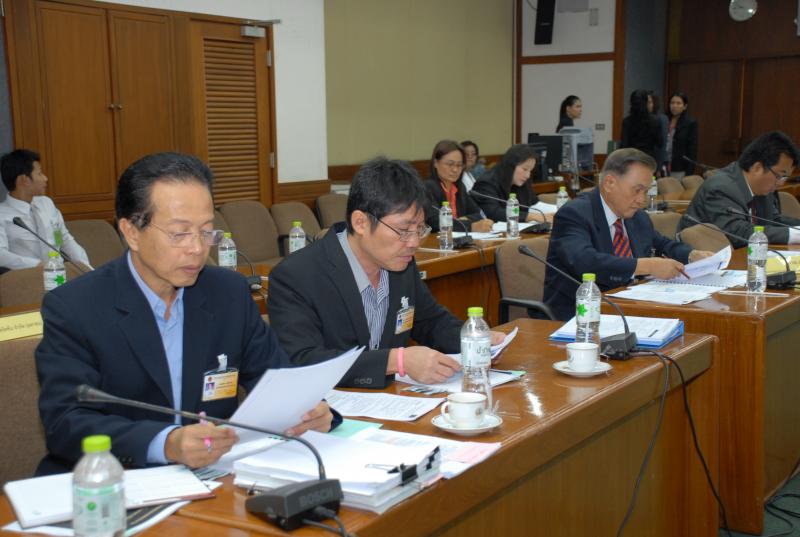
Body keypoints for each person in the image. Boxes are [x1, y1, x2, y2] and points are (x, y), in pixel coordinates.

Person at [35, 152, 336, 475]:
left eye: (206, 232)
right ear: (131, 232)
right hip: (115, 481)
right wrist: (165, 443)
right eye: (179, 233)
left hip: (215, 477)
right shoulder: (75, 307)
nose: (197, 248)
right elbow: (65, 422)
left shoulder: (228, 293)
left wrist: (313, 411)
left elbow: (278, 380)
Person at [267, 156, 505, 388]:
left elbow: (429, 320)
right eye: (403, 230)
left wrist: (473, 341)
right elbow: (302, 361)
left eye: (419, 229)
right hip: (328, 405)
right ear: (360, 222)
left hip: (392, 402)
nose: (413, 242)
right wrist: (396, 361)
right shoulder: (296, 276)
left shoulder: (400, 262)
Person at [543, 148, 713, 321]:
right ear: (609, 183)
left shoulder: (637, 216)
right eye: (637, 190)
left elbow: (662, 244)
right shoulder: (574, 213)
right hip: (579, 317)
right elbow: (585, 261)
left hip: (630, 308)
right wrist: (646, 266)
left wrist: (692, 255)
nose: (642, 200)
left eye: (645, 192)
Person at [678, 131, 800, 247]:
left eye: (785, 178)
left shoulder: (762, 188)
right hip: (702, 258)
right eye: (779, 176)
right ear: (757, 168)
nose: (780, 183)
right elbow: (737, 232)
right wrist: (793, 235)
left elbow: (773, 220)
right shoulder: (721, 187)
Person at [0, 149, 91, 270]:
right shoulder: (2, 214)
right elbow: (1, 255)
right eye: (39, 173)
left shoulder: (46, 204)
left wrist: (87, 268)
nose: (45, 178)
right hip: (27, 277)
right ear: (24, 180)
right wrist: (38, 265)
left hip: (58, 274)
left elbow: (63, 239)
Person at [471, 144, 554, 223]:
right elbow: (494, 213)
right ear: (511, 165)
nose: (528, 175)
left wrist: (558, 211)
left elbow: (534, 204)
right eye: (525, 169)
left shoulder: (521, 181)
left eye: (530, 171)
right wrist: (531, 216)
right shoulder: (486, 183)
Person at [424, 140, 493, 233]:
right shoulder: (427, 188)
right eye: (450, 164)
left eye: (459, 165)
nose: (455, 169)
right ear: (435, 163)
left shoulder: (459, 187)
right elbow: (435, 222)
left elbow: (478, 214)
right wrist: (470, 226)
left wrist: (459, 221)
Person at [620, 89, 663, 163]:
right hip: (649, 159)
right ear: (646, 102)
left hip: (632, 159)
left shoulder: (627, 121)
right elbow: (660, 143)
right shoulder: (655, 120)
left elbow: (624, 145)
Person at [666, 92, 699, 175]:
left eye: (678, 103)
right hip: (664, 165)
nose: (674, 106)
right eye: (672, 103)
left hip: (680, 167)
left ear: (685, 106)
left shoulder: (690, 123)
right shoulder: (664, 120)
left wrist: (689, 171)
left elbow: (692, 149)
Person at [647, 91, 670, 175]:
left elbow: (662, 144)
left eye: (649, 102)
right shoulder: (643, 119)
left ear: (655, 103)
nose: (646, 105)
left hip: (659, 162)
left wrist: (659, 167)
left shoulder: (662, 118)